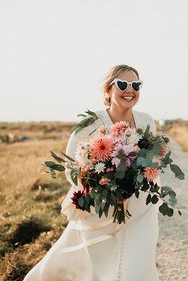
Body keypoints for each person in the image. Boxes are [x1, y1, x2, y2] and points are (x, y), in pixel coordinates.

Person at [24, 65, 159, 281]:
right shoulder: (90, 123)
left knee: (138, 265)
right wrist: (101, 186)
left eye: (136, 85)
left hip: (141, 208)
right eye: (123, 84)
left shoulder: (147, 121)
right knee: (99, 267)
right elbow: (71, 166)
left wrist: (140, 179)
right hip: (101, 209)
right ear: (107, 90)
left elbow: (154, 161)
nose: (130, 90)